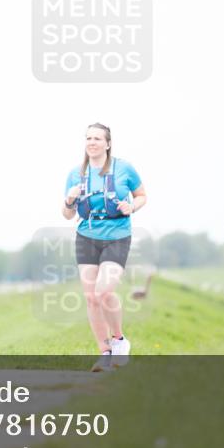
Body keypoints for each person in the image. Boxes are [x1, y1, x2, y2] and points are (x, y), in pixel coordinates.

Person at [62, 123, 147, 372]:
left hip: (117, 235)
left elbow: (142, 195)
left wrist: (132, 206)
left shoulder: (124, 169)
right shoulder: (75, 174)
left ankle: (119, 340)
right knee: (91, 297)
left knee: (103, 292)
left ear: (108, 143)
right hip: (86, 236)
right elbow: (67, 214)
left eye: (97, 138)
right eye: (88, 138)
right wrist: (69, 199)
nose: (92, 142)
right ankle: (105, 353)